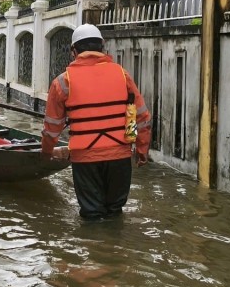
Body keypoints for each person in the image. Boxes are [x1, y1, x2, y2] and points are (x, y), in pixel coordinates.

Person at [41, 23, 151, 220]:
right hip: (120, 155)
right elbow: (141, 117)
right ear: (103, 47)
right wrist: (142, 151)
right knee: (115, 211)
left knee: (91, 214)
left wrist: (46, 152)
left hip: (85, 158)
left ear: (73, 51)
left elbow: (52, 127)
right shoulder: (122, 74)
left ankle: (95, 247)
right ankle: (116, 247)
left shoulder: (62, 82)